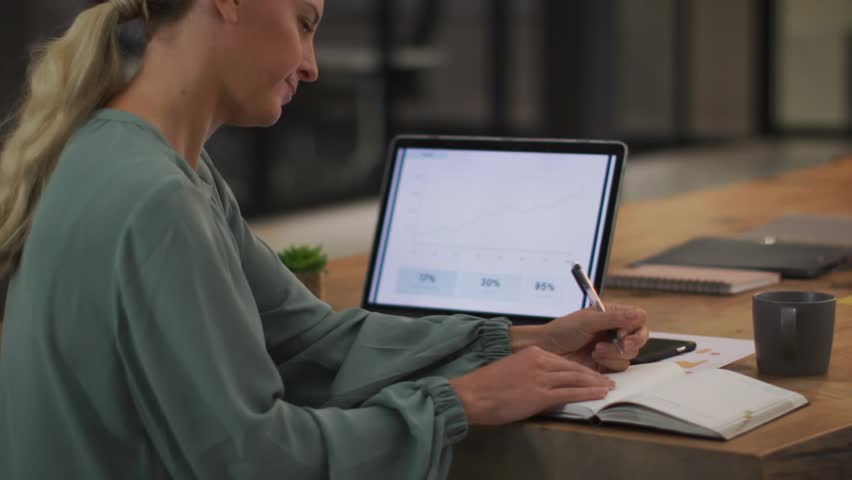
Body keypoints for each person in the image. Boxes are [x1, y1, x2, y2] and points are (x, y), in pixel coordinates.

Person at [0, 0, 649, 478]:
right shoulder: (156, 199)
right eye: (304, 24)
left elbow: (311, 341)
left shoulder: (146, 162)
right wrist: (461, 402)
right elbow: (253, 461)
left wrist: (524, 342)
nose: (311, 66)